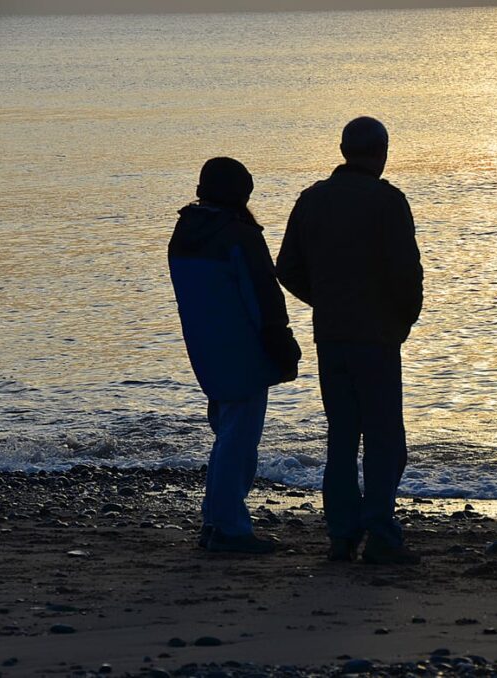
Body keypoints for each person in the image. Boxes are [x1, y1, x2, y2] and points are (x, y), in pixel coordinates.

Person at [276, 117, 423, 565]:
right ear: (382, 151)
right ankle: (380, 533)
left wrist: (325, 300)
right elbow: (407, 274)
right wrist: (403, 320)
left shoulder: (312, 200)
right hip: (376, 337)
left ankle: (342, 535)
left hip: (332, 335)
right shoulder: (388, 201)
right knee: (384, 439)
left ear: (343, 150)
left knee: (342, 436)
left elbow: (286, 268)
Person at [168, 157, 301, 554]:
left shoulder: (185, 231)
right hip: (242, 349)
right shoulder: (238, 235)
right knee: (238, 441)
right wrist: (282, 344)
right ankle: (228, 527)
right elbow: (263, 297)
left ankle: (217, 520)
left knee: (229, 436)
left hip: (205, 349)